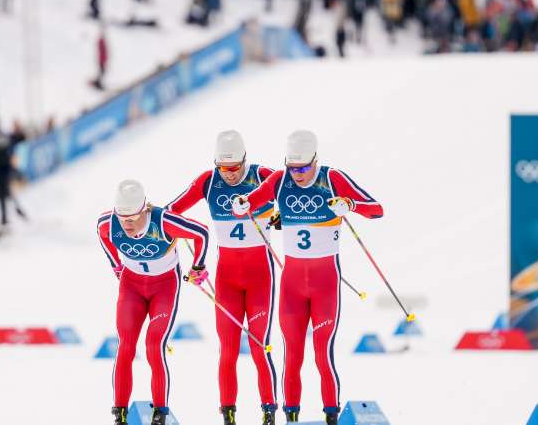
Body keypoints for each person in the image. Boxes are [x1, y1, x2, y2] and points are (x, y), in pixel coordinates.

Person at [231, 130, 384, 425]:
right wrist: (241, 205)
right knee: (293, 357)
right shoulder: (280, 180)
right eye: (292, 167)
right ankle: (291, 417)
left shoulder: (332, 178)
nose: (297, 174)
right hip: (292, 287)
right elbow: (247, 203)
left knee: (322, 356)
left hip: (325, 284)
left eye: (303, 168)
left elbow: (376, 209)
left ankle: (331, 417)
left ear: (315, 160)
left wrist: (351, 205)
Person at [166, 131, 279, 425]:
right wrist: (189, 241)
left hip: (260, 280)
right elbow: (170, 213)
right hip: (227, 280)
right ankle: (228, 414)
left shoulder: (262, 175)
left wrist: (278, 213)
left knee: (259, 346)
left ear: (245, 160)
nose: (229, 175)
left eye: (235, 168)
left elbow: (293, 191)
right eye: (223, 169)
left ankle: (269, 413)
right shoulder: (208, 180)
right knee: (227, 350)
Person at [99, 180, 210, 425]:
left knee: (154, 345)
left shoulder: (163, 221)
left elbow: (201, 233)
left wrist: (198, 267)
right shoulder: (109, 222)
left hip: (164, 288)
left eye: (132, 218)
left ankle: (160, 413)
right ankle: (120, 414)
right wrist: (116, 265)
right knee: (126, 345)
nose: (126, 224)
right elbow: (102, 234)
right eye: (122, 218)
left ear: (144, 210)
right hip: (132, 287)